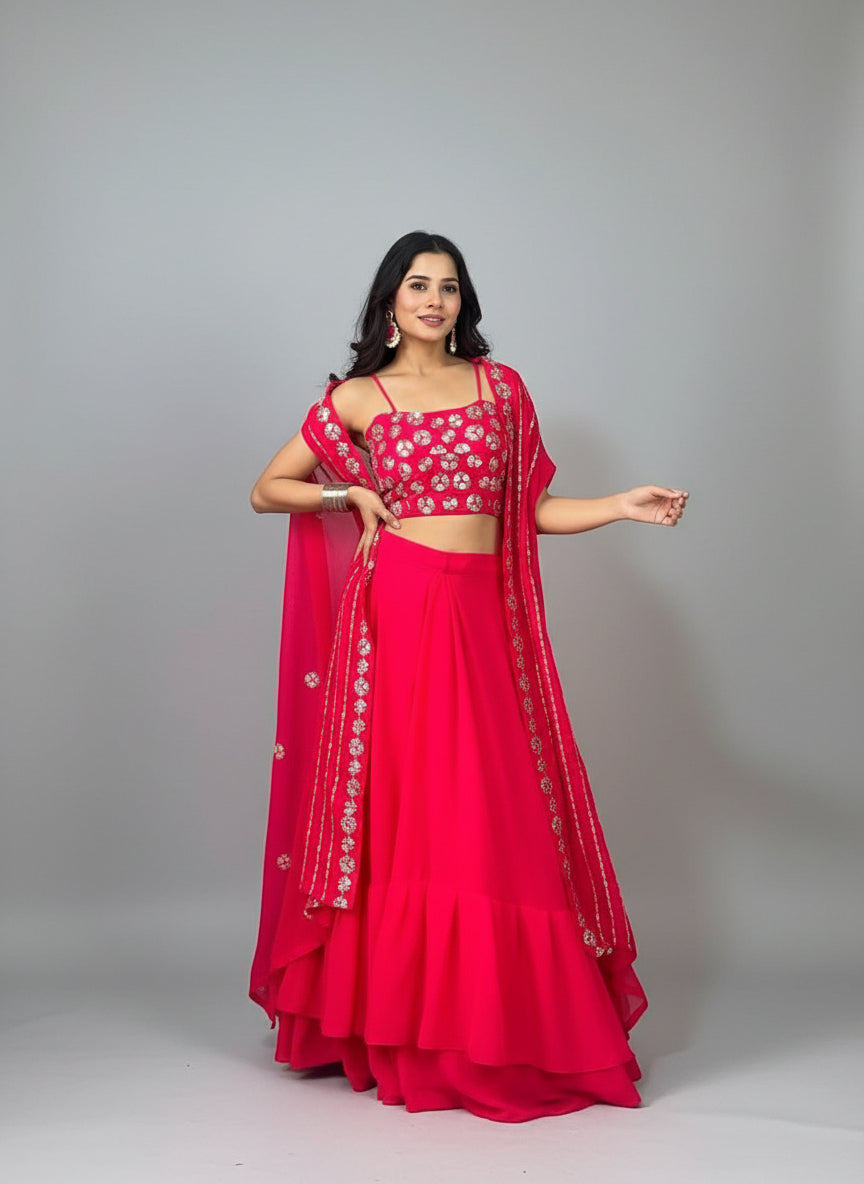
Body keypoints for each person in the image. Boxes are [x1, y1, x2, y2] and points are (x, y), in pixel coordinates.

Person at [247, 230, 689, 1123]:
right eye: (418, 285)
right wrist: (349, 496)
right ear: (390, 300)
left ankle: (505, 1027)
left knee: (492, 812)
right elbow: (268, 488)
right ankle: (410, 1034)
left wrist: (620, 504)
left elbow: (529, 513)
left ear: (463, 303)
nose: (434, 300)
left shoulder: (502, 390)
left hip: (483, 617)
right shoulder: (360, 400)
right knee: (414, 816)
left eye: (449, 287)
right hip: (399, 615)